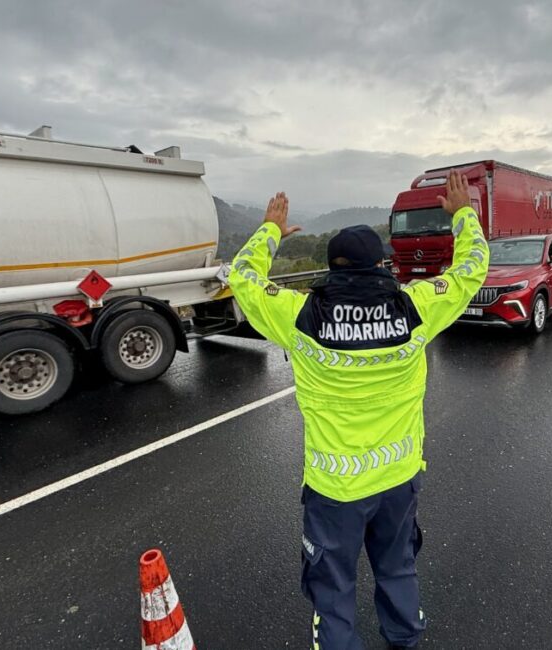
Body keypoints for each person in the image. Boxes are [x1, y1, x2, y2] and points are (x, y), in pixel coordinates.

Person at [228, 170, 488, 649]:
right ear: (382, 265)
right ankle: (405, 638)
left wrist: (269, 232)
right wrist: (463, 217)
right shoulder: (416, 307)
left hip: (335, 487)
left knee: (333, 588)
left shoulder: (300, 314)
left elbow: (241, 278)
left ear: (332, 268)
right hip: (398, 476)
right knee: (397, 566)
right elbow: (471, 268)